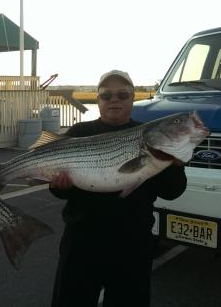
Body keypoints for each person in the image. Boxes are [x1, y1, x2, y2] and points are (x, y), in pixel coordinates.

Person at [49, 70, 187, 307]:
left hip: (133, 244)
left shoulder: (153, 135)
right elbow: (60, 191)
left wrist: (174, 166)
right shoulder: (79, 132)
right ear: (98, 100)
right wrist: (60, 186)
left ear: (132, 99)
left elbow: (172, 192)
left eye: (122, 95)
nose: (114, 100)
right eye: (106, 95)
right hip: (81, 242)